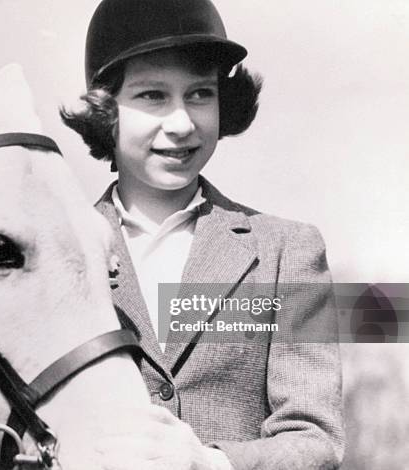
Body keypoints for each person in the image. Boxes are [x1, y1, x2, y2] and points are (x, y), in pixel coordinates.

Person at [60, 0, 344, 469]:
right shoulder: (55, 252)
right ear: (105, 110)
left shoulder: (288, 250)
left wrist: (207, 463)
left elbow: (317, 440)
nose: (182, 123)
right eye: (152, 96)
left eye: (199, 94)